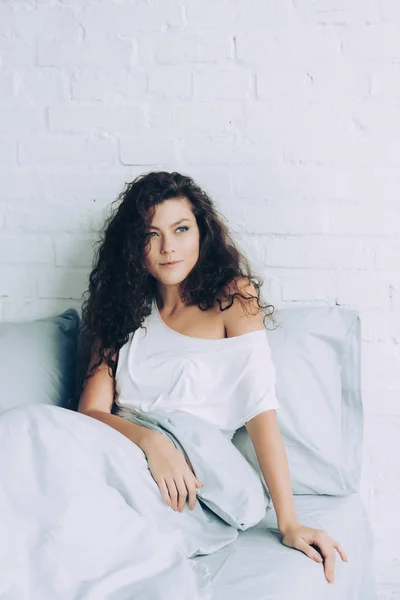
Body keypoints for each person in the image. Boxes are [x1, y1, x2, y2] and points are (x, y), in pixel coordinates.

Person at [77, 170, 348, 586]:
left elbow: (261, 410)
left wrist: (289, 522)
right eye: (151, 235)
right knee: (29, 430)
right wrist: (151, 442)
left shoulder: (232, 299)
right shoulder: (120, 310)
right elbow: (91, 412)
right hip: (119, 449)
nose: (168, 248)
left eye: (181, 229)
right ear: (134, 246)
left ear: (201, 232)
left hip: (188, 476)